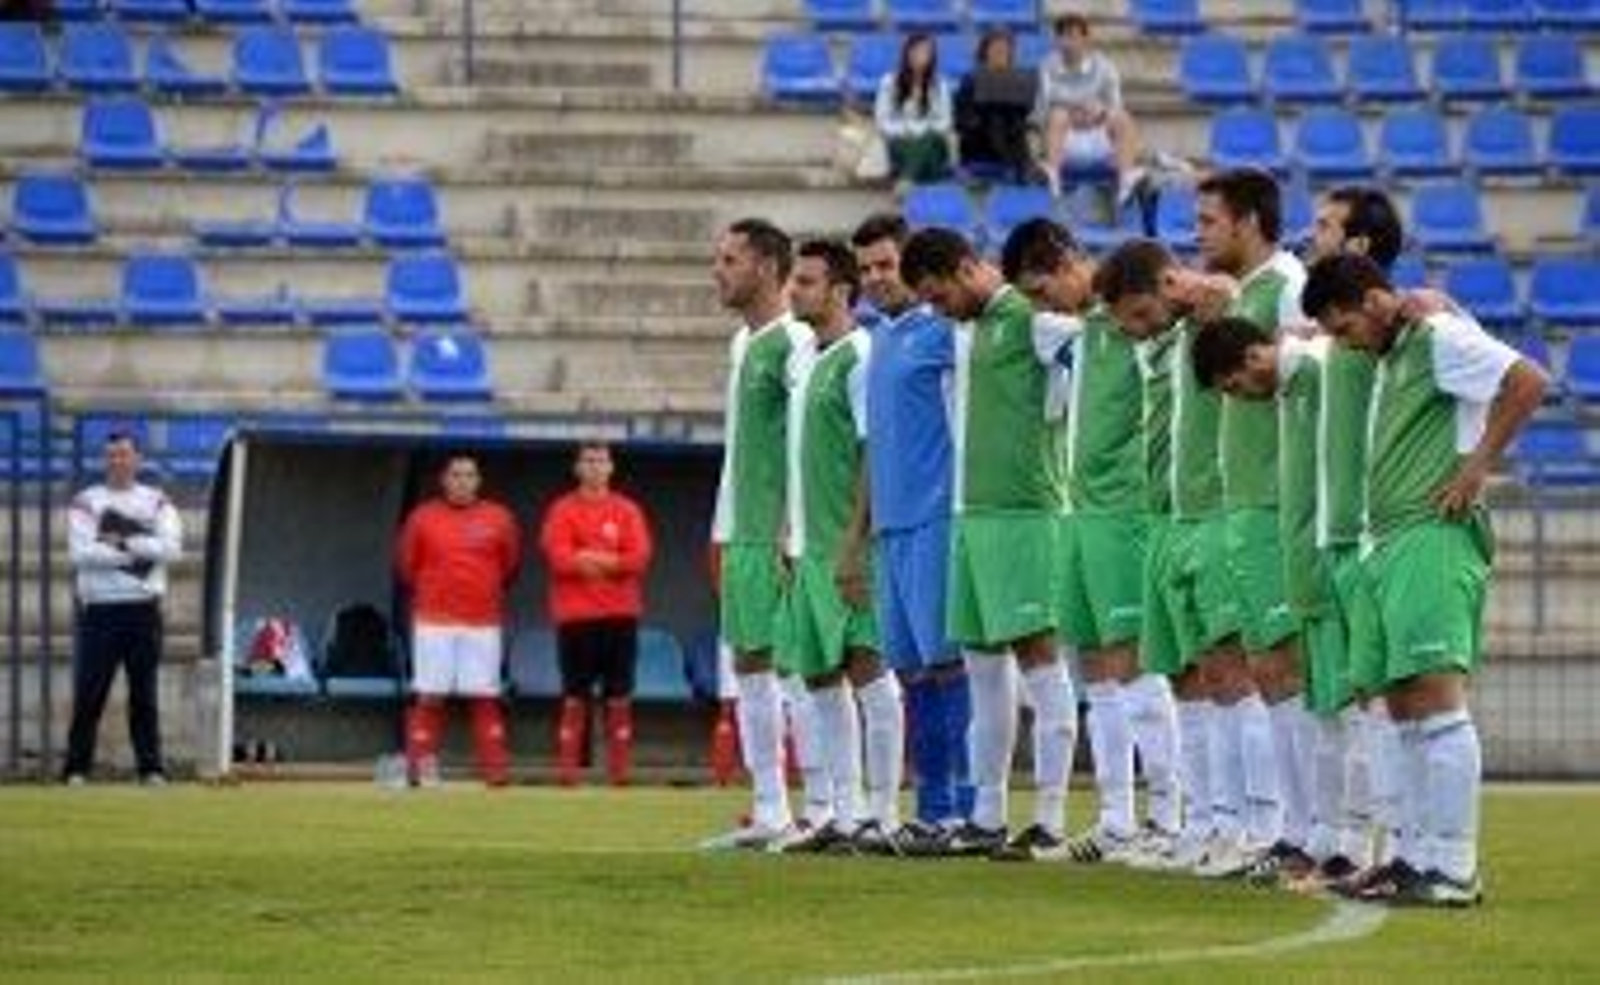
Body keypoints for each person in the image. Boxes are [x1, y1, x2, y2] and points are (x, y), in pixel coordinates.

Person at [1302, 252, 1547, 906]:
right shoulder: (1394, 351)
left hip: (1431, 534)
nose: (1345, 341)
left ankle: (1456, 866)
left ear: (1377, 301)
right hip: (1391, 539)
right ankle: (1416, 857)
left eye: (1345, 326)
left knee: (1437, 698)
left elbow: (1528, 379)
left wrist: (1476, 469)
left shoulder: (1439, 337)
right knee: (1405, 705)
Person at [1001, 219, 1183, 864]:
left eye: (1045, 285)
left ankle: (1167, 817)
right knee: (1097, 672)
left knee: (1134, 665)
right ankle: (1115, 819)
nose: (1043, 303)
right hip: (1079, 516)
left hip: (1125, 513)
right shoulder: (1084, 330)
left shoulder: (1147, 329)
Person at [899, 227, 1079, 861]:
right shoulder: (965, 330)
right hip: (969, 517)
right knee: (982, 672)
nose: (937, 308)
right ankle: (987, 814)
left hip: (1026, 513)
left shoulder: (1033, 321)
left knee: (1041, 660)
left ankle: (1053, 820)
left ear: (970, 268)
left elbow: (1098, 354)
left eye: (940, 294)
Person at [1094, 239, 1246, 877]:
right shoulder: (1163, 341)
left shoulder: (1221, 314)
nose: (1131, 331)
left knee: (1240, 677)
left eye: (1136, 314)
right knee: (1192, 679)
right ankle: (1204, 823)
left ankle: (1254, 828)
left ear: (1166, 286)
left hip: (1216, 518)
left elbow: (1248, 318)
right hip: (1165, 520)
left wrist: (1225, 297)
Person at [1191, 167, 1309, 878]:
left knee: (1281, 668)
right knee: (1242, 669)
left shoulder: (1288, 285)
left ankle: (1293, 830)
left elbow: (1306, 384)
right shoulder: (1240, 294)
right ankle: (1268, 828)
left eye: (1208, 220)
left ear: (1249, 222)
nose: (1198, 232)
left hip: (1275, 501)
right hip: (1239, 504)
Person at [774, 239, 907, 853]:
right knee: (820, 676)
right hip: (806, 546)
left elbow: (873, 455)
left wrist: (855, 541)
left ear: (840, 292)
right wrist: (787, 528)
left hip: (846, 548)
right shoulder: (805, 356)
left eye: (806, 282)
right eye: (794, 281)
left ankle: (882, 812)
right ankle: (841, 812)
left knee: (868, 670)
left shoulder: (861, 356)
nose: (794, 291)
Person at [846, 212, 972, 854]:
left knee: (949, 665)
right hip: (890, 528)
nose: (874, 279)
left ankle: (962, 811)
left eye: (885, 266)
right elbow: (872, 449)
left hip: (936, 517)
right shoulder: (879, 342)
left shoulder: (945, 332)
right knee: (913, 671)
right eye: (865, 269)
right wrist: (855, 536)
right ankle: (930, 808)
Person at [702, 218, 815, 850]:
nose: (718, 270)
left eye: (730, 260)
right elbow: (740, 447)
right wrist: (722, 527)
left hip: (781, 533)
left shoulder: (796, 341)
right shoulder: (741, 344)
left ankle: (822, 807)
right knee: (749, 663)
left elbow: (803, 445)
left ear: (768, 268)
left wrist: (791, 532)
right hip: (741, 527)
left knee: (799, 667)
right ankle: (770, 808)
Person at [63, 430, 183, 786]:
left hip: (143, 609)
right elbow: (82, 554)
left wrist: (124, 540)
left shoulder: (157, 500)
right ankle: (76, 769)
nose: (118, 461)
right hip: (100, 610)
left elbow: (172, 549)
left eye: (124, 454)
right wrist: (143, 547)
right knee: (89, 692)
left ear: (138, 459)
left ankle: (151, 768)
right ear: (105, 460)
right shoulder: (86, 501)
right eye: (111, 455)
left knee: (143, 693)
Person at [395, 454, 521, 788]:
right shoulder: (422, 517)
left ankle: (496, 772)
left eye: (469, 475)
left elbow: (509, 566)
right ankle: (417, 771)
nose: (462, 481)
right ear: (444, 479)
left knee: (483, 694)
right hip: (433, 621)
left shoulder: (500, 518)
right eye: (456, 474)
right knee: (430, 694)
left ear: (478, 480)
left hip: (483, 622)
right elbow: (407, 567)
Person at [538, 441, 654, 787]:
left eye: (601, 460)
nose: (594, 467)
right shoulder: (562, 510)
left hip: (620, 614)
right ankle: (568, 773)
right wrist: (608, 560)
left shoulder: (627, 510)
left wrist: (592, 558)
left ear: (611, 467)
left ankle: (619, 773)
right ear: (577, 468)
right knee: (575, 695)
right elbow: (558, 557)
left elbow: (639, 558)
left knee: (619, 695)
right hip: (575, 616)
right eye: (587, 460)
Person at [1035, 13, 1143, 202]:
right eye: (1064, 36)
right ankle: (1053, 179)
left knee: (1123, 118)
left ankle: (1126, 181)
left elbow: (1116, 105)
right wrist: (1072, 112)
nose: (1069, 42)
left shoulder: (1105, 67)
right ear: (1057, 40)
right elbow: (1041, 108)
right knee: (1057, 114)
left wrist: (1100, 113)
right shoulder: (1046, 66)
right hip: (1063, 140)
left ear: (1086, 39)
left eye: (1074, 36)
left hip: (1099, 138)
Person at [953, 29, 1036, 184]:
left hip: (1011, 138)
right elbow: (961, 118)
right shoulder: (971, 79)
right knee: (995, 118)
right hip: (978, 141)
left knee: (1012, 121)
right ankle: (1020, 168)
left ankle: (1019, 168)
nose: (1000, 53)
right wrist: (983, 113)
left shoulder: (1020, 79)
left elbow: (1026, 114)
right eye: (996, 48)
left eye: (1005, 49)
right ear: (985, 51)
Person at [874, 32, 954, 186]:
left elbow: (946, 121)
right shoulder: (889, 82)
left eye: (926, 52)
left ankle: (906, 179)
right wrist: (906, 131)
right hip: (901, 141)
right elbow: (882, 121)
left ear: (932, 57)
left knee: (930, 141)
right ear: (907, 53)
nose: (920, 56)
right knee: (927, 159)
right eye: (916, 51)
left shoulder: (940, 84)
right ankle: (915, 181)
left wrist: (922, 131)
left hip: (931, 139)